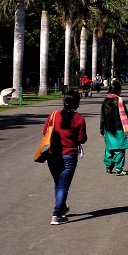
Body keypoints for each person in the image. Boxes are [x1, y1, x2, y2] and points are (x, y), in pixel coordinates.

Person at [44, 90, 87, 225]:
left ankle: (61, 207)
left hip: (52, 155)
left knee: (58, 183)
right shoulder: (79, 119)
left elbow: (45, 131)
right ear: (78, 103)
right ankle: (56, 215)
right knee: (63, 186)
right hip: (69, 155)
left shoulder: (54, 115)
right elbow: (82, 139)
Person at [100, 83, 128, 174]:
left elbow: (102, 117)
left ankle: (109, 167)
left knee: (109, 148)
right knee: (120, 148)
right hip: (119, 128)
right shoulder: (119, 101)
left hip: (108, 129)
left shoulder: (105, 101)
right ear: (118, 91)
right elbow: (125, 115)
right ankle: (118, 168)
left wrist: (101, 130)